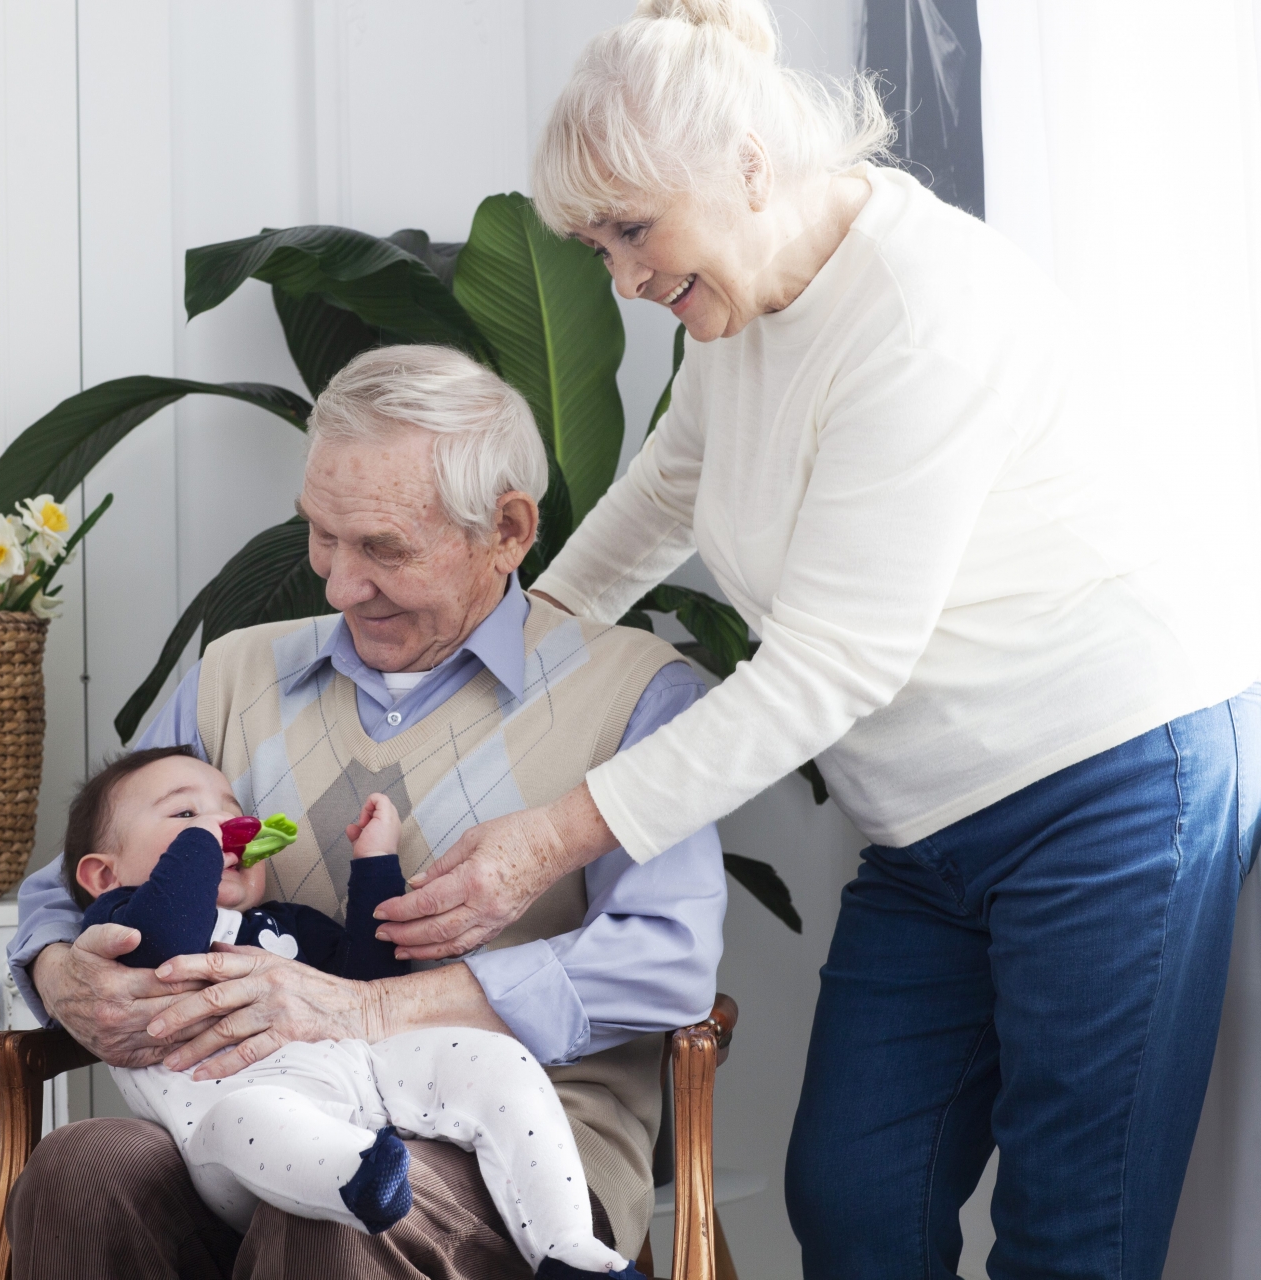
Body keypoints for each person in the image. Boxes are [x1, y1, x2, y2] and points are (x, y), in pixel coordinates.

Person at [370, 3, 1261, 1278]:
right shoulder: (741, 311)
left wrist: (548, 837)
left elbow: (833, 662)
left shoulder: (921, 312)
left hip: (1103, 783)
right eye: (599, 246)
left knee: (1073, 1232)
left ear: (747, 165)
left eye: (633, 232)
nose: (622, 280)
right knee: (852, 1197)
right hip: (925, 828)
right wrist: (516, 655)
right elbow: (662, 494)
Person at [5, 343, 728, 1278]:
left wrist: (366, 1008)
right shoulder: (232, 673)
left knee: (345, 1217)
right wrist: (63, 972)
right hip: (246, 1110)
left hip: (512, 1138)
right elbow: (78, 876)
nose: (339, 585)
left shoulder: (636, 694)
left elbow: (666, 957)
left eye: (384, 548)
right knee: (80, 1172)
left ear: (507, 530)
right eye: (322, 535)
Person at [61, 744, 639, 1278]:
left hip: (357, 1079)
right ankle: (355, 1176)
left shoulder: (285, 924)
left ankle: (572, 1252)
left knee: (490, 1059)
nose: (228, 825)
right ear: (103, 875)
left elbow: (368, 983)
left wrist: (375, 865)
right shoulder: (115, 925)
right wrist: (204, 843)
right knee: (252, 1117)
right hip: (233, 1125)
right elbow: (167, 935)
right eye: (185, 813)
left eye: (235, 813)